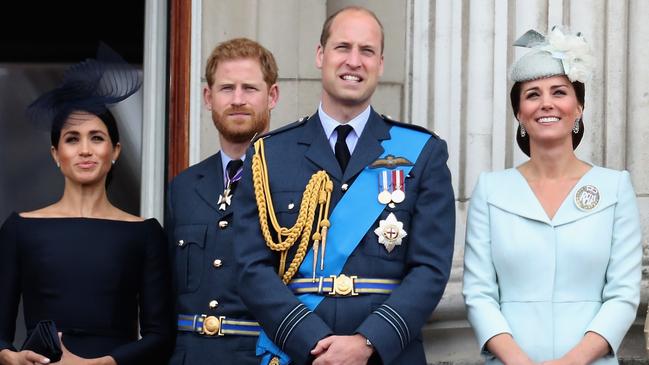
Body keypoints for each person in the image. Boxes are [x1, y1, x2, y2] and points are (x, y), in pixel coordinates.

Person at [233, 6, 455, 365]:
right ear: (321, 55)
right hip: (300, 352)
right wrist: (312, 340)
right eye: (342, 48)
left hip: (386, 354)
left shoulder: (423, 152)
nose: (354, 61)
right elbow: (250, 267)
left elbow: (430, 270)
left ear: (380, 63)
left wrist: (368, 342)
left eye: (366, 51)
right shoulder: (269, 154)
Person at [463, 27, 642, 364]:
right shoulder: (491, 190)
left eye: (559, 92)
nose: (546, 103)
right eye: (532, 94)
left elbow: (622, 294)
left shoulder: (614, 187)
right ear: (519, 113)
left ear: (578, 108)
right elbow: (479, 293)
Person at [0, 44, 174, 365]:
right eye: (72, 138)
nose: (85, 150)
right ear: (56, 154)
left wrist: (101, 364)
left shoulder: (145, 234)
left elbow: (160, 336)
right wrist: (9, 356)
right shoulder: (19, 229)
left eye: (96, 137)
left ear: (115, 151)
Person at [166, 38, 279, 365]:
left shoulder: (298, 182)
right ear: (208, 97)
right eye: (227, 88)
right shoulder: (183, 187)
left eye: (250, 89)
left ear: (272, 96)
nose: (238, 100)